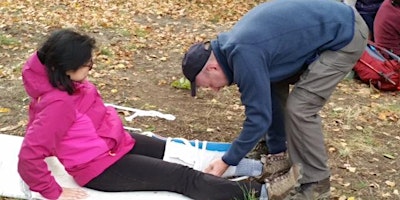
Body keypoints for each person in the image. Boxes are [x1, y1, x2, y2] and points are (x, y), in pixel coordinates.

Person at [17, 28, 302, 200]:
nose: (92, 66)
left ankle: (261, 169)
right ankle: (265, 193)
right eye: (88, 64)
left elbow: (51, 126)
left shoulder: (69, 86)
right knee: (182, 177)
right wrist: (53, 191)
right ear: (66, 67)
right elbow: (29, 155)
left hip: (115, 143)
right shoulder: (57, 104)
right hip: (100, 168)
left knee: (177, 150)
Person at [181, 0, 368, 199]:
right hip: (330, 27)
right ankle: (277, 155)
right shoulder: (235, 50)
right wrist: (276, 149)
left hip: (346, 34)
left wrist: (227, 160)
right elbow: (263, 103)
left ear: (212, 68)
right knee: (272, 84)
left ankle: (316, 185)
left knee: (301, 107)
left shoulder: (243, 53)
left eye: (208, 84)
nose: (215, 90)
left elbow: (258, 119)